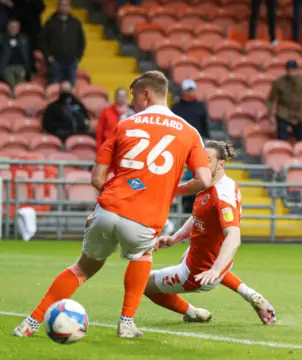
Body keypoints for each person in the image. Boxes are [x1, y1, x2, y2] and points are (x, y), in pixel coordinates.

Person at [13, 71, 213, 339]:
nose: (131, 103)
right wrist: (166, 191)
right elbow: (204, 179)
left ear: (146, 93)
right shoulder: (189, 132)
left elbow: (96, 177)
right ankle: (126, 323)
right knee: (143, 256)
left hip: (108, 209)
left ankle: (31, 323)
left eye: (134, 96)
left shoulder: (125, 125)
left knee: (82, 268)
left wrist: (118, 196)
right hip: (144, 217)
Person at [146, 140, 276, 326]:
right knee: (187, 254)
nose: (201, 165)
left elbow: (234, 236)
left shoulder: (220, 197)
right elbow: (199, 216)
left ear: (221, 164)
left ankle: (193, 313)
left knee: (143, 283)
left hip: (199, 272)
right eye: (199, 159)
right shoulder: (219, 183)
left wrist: (214, 270)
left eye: (207, 160)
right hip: (214, 258)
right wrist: (176, 238)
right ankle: (251, 295)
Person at [267, 60, 302, 142]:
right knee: (282, 140)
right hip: (283, 114)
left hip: (298, 114)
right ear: (286, 70)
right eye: (289, 70)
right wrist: (271, 115)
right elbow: (271, 99)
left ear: (297, 70)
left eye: (293, 70)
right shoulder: (279, 82)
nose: (291, 73)